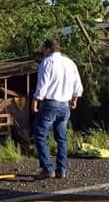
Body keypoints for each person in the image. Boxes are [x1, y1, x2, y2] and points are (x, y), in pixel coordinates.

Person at [31, 38, 83, 180]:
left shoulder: (47, 62)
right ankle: (62, 169)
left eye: (43, 49)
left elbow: (43, 84)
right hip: (65, 104)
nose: (42, 51)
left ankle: (47, 168)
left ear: (48, 49)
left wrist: (36, 100)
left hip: (50, 103)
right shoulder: (69, 62)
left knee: (40, 134)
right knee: (61, 138)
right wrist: (75, 98)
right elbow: (77, 84)